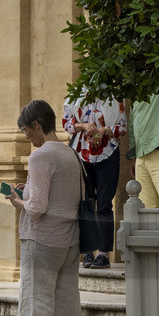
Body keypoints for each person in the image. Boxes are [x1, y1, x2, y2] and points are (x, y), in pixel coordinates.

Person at [7, 98, 84, 316]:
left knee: (36, 303)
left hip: (41, 239)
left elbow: (37, 207)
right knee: (67, 304)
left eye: (27, 132)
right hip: (70, 239)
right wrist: (28, 193)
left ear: (36, 125)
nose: (28, 138)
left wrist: (17, 200)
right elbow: (65, 197)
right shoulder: (70, 154)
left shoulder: (40, 157)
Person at [62, 89, 123, 267]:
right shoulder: (75, 97)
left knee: (104, 204)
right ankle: (88, 251)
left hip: (108, 155)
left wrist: (104, 130)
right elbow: (66, 123)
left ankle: (103, 253)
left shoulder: (114, 98)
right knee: (86, 203)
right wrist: (84, 126)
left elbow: (122, 128)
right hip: (81, 155)